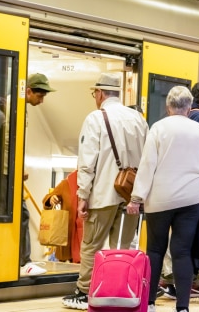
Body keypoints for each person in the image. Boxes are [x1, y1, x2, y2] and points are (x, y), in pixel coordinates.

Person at [127, 85, 199, 312]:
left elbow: (147, 165)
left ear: (168, 107)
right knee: (182, 251)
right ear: (189, 107)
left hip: (159, 199)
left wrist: (136, 198)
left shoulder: (158, 129)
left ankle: (149, 303)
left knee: (155, 250)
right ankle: (182, 307)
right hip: (191, 200)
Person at [61, 73, 148, 310]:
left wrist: (82, 195)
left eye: (94, 94)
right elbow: (147, 159)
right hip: (130, 194)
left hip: (102, 194)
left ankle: (84, 291)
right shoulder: (138, 119)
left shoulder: (95, 118)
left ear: (100, 93)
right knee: (122, 246)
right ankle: (119, 289)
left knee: (92, 244)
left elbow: (87, 162)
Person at [159, 81, 199, 299]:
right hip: (193, 189)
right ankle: (186, 283)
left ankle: (175, 281)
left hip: (172, 188)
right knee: (189, 239)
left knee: (174, 240)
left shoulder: (166, 126)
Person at [20, 73, 56, 276]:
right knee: (22, 215)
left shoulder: (20, 108)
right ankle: (23, 261)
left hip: (11, 172)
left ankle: (23, 260)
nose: (42, 101)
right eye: (40, 96)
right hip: (8, 174)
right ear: (28, 91)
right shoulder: (14, 107)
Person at [42, 170, 82, 263]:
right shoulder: (66, 184)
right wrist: (51, 199)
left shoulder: (94, 185)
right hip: (66, 231)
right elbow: (48, 197)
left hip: (85, 231)